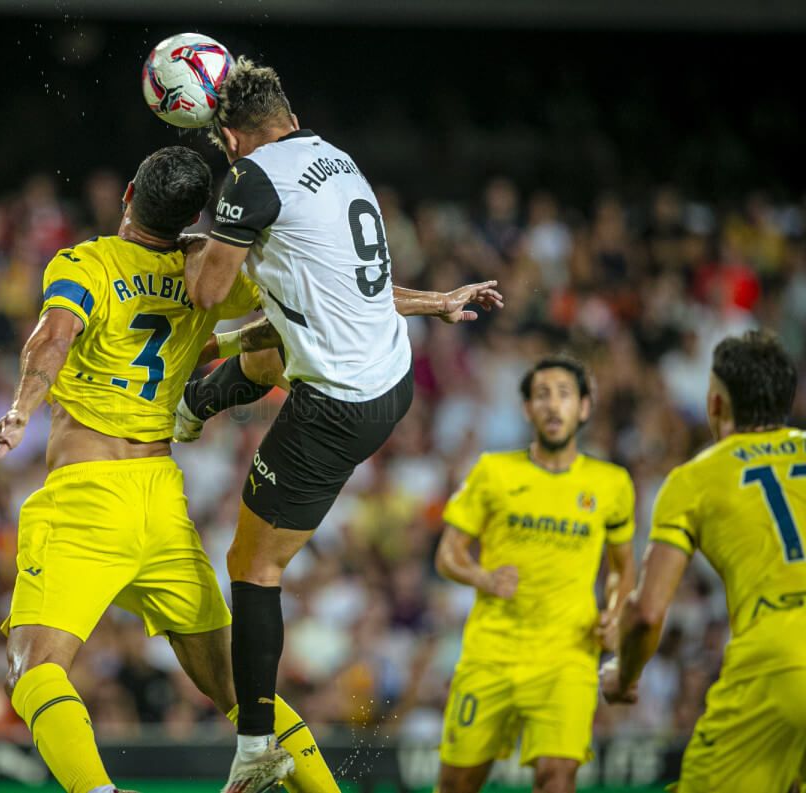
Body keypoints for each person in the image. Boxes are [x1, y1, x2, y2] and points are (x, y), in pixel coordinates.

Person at [178, 57, 502, 790]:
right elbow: (361, 287)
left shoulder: (249, 180)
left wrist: (207, 232)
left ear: (230, 137)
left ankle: (258, 745)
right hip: (389, 371)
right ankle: (197, 404)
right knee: (276, 335)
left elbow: (204, 292)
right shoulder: (336, 157)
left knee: (252, 567)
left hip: (337, 406)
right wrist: (440, 300)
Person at [0, 145, 341, 793]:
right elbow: (332, 304)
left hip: (88, 496)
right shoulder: (211, 272)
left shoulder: (87, 263)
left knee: (34, 670)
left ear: (127, 195)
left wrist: (20, 410)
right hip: (160, 502)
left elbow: (53, 338)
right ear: (193, 217)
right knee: (243, 695)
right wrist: (429, 301)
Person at [603, 330, 806, 792]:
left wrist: (624, 675)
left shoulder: (694, 479)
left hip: (779, 661)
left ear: (716, 404)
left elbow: (647, 611)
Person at [433, 357, 636, 793]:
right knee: (456, 784)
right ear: (526, 409)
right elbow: (447, 554)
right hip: (492, 651)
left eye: (564, 394)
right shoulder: (493, 471)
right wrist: (483, 578)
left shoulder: (612, 484)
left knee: (557, 776)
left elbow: (622, 566)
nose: (552, 405)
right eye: (541, 395)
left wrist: (616, 611)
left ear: (584, 407)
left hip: (568, 655)